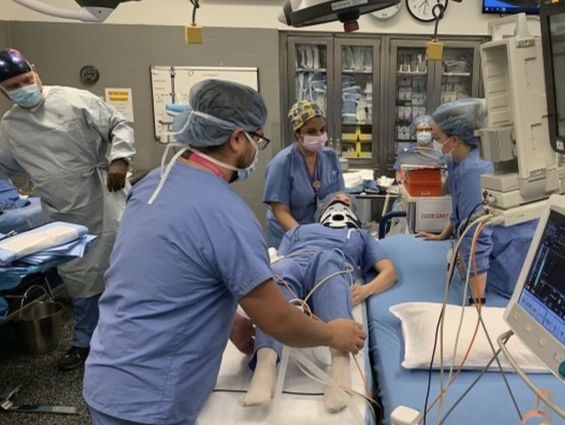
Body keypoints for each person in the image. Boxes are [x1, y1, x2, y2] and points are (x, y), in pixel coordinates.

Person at [83, 80, 365, 425]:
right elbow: (276, 319)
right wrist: (333, 333)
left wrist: (227, 320)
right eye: (256, 139)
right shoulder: (227, 213)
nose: (256, 149)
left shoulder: (152, 184)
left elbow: (159, 274)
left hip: (107, 377)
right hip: (153, 398)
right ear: (236, 139)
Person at [0, 48, 134, 370]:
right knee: (80, 283)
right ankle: (85, 343)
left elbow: (119, 124)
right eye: (14, 86)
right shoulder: (10, 126)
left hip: (104, 199)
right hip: (61, 212)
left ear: (36, 70)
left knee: (120, 274)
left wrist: (119, 158)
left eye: (27, 80)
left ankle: (128, 343)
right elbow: (6, 164)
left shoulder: (75, 100)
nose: (24, 89)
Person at [245, 193, 396, 412]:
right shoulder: (298, 230)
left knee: (328, 262)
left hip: (333, 261)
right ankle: (264, 366)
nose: (340, 202)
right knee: (278, 271)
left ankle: (340, 365)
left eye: (345, 201)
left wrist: (364, 290)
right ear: (322, 211)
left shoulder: (360, 234)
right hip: (294, 261)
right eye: (335, 200)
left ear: (353, 211)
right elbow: (279, 256)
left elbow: (389, 272)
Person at [417, 99, 537, 302]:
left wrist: (477, 301)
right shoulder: (457, 160)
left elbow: (476, 235)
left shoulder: (475, 170)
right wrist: (444, 235)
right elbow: (462, 211)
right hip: (489, 252)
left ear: (454, 140)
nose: (435, 143)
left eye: (437, 138)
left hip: (507, 264)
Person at [263, 100, 345, 248]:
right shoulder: (283, 163)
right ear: (298, 133)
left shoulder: (330, 157)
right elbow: (280, 211)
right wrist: (304, 238)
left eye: (323, 129)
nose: (319, 136)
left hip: (320, 232)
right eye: (311, 131)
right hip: (287, 236)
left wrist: (341, 201)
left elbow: (338, 194)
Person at [393, 115, 443, 182]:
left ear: (433, 132)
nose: (424, 133)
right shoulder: (406, 152)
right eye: (420, 130)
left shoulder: (439, 153)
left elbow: (443, 176)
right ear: (415, 133)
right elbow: (399, 173)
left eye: (427, 129)